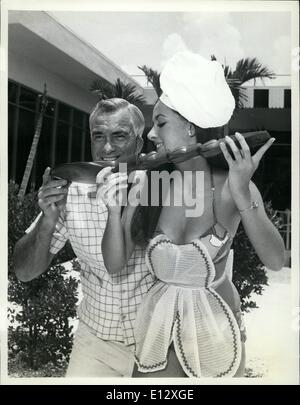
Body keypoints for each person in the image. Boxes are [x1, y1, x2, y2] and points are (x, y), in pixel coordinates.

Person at [100, 52, 285, 378]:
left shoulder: (231, 186)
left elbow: (274, 258)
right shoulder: (154, 184)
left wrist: (243, 194)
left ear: (189, 127)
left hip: (217, 335)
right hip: (159, 331)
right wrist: (115, 212)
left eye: (160, 123)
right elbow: (115, 263)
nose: (151, 135)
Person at [13, 98, 156, 377]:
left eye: (119, 136)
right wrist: (48, 219)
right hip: (95, 345)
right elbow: (24, 272)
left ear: (138, 144)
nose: (107, 148)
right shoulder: (70, 194)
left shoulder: (160, 191)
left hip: (157, 343)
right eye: (98, 136)